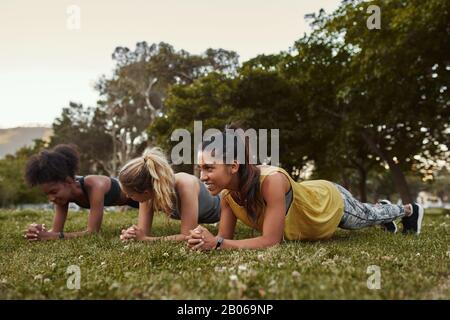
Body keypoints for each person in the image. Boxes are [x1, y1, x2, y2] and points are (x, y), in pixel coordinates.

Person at [186, 128, 424, 250]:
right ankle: (382, 211)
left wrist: (216, 244)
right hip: (309, 194)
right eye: (200, 168)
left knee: (366, 217)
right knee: (369, 213)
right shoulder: (229, 196)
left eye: (209, 168)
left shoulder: (271, 181)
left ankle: (408, 210)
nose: (202, 176)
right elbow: (223, 239)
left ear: (233, 166)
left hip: (327, 204)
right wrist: (203, 239)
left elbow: (271, 241)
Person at [23, 144, 139, 241]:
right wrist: (39, 233)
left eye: (53, 192)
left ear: (68, 180)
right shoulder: (62, 196)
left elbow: (93, 233)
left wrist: (54, 236)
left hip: (140, 196)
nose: (51, 198)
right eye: (47, 194)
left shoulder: (94, 185)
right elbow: (56, 231)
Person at [118, 147, 221, 242]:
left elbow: (187, 235)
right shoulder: (149, 192)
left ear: (145, 192)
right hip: (202, 216)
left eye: (130, 195)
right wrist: (132, 234)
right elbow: (143, 232)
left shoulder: (185, 184)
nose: (127, 197)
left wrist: (146, 240)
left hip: (218, 210)